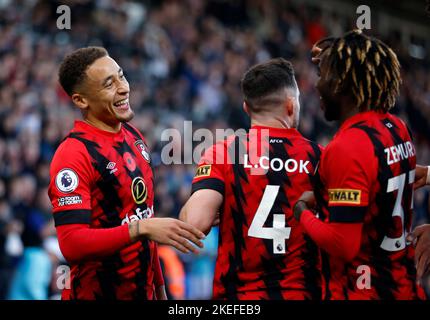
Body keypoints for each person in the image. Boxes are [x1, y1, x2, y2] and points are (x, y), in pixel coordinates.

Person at [48, 47, 205, 300]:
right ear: (80, 100)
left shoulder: (133, 137)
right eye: (109, 84)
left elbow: (144, 216)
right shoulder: (74, 154)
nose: (123, 88)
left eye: (121, 76)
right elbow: (71, 244)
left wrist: (160, 288)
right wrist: (139, 228)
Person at [293, 29, 426, 299]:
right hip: (402, 286)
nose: (317, 86)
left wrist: (302, 212)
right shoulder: (397, 127)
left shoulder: (346, 148)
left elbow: (343, 244)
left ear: (342, 83)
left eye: (323, 76)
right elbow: (372, 192)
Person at [180, 58, 323, 300]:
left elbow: (193, 225)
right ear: (291, 105)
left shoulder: (223, 152)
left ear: (247, 108)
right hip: (302, 293)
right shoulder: (319, 157)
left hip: (237, 297)